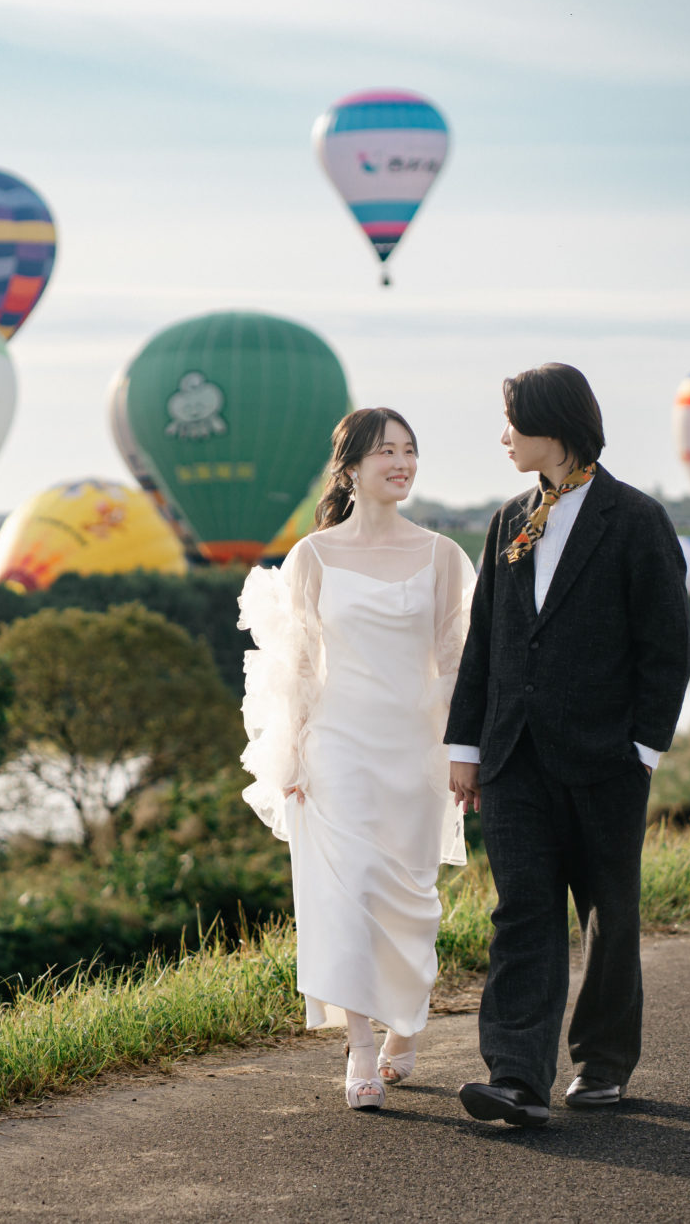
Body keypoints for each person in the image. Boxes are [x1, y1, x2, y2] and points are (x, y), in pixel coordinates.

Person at [445, 364, 690, 1128]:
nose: (503, 435)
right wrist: (465, 744)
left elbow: (667, 649)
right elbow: (483, 642)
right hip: (514, 757)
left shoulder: (637, 519)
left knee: (608, 914)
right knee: (522, 910)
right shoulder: (507, 520)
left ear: (553, 424)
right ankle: (516, 1077)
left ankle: (604, 1062)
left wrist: (643, 750)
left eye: (512, 421)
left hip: (606, 758)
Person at [238, 407, 474, 1111]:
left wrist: (464, 750)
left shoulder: (440, 554)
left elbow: (457, 660)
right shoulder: (312, 555)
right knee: (348, 892)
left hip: (414, 749)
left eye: (409, 451)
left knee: (411, 898)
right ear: (350, 468)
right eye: (385, 453)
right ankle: (362, 1046)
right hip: (336, 744)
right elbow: (296, 665)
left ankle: (406, 1022)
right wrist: (289, 753)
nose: (400, 463)